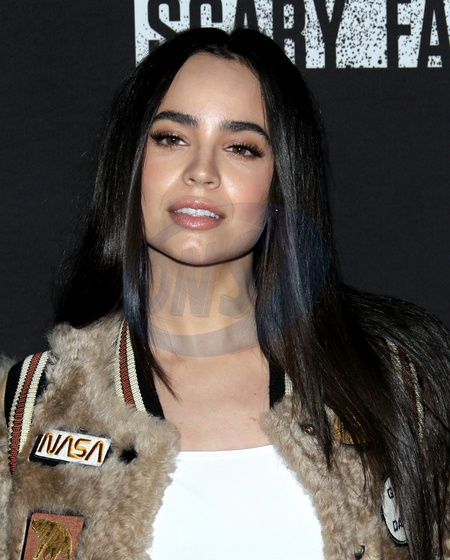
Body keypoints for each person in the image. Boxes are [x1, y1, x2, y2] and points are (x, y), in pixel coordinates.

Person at [1, 27, 449, 560]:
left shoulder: (392, 388)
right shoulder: (28, 408)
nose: (201, 172)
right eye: (172, 138)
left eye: (241, 147)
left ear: (280, 179)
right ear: (132, 162)